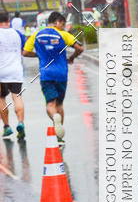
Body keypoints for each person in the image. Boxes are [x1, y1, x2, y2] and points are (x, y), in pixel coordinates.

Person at [23, 11, 83, 142]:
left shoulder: (36, 34)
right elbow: (80, 48)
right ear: (57, 22)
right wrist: (71, 58)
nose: (62, 26)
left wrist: (38, 55)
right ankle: (59, 137)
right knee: (60, 104)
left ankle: (55, 118)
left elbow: (25, 52)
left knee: (50, 104)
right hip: (61, 74)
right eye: (62, 23)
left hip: (46, 74)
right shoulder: (64, 34)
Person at [0, 11, 26, 140]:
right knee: (17, 97)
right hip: (16, 70)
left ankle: (7, 126)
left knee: (1, 99)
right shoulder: (18, 34)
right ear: (8, 20)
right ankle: (21, 123)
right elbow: (24, 50)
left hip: (1, 72)